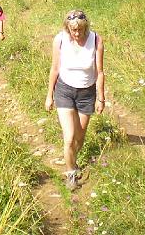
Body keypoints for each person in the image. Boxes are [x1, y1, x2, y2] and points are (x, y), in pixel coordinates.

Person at [44, 10, 105, 190]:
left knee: (80, 137)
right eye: (73, 30)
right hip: (64, 90)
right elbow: (54, 68)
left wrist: (101, 98)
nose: (76, 34)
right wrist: (49, 96)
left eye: (80, 30)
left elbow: (100, 72)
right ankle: (71, 173)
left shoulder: (96, 40)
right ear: (67, 28)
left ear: (86, 27)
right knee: (69, 137)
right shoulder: (60, 40)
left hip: (87, 93)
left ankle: (72, 158)